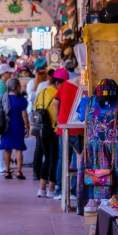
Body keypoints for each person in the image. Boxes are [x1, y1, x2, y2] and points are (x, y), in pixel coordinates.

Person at [35, 68, 68, 199]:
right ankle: (52, 188)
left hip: (42, 130)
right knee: (54, 159)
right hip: (54, 130)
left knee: (47, 158)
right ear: (58, 83)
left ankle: (42, 189)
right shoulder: (57, 93)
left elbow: (35, 109)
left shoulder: (42, 92)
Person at [53, 75, 83, 200]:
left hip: (64, 128)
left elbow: (55, 103)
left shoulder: (65, 85)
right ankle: (75, 191)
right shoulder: (85, 87)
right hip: (81, 129)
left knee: (62, 159)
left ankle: (60, 190)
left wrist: (58, 121)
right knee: (78, 161)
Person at [0, 77, 30, 180]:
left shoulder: (4, 98)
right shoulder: (21, 99)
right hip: (18, 125)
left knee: (7, 149)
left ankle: (7, 171)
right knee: (19, 149)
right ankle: (19, 171)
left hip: (6, 125)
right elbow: (24, 115)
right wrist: (27, 127)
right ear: (17, 87)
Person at [0, 63, 15, 175]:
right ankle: (1, 167)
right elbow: (1, 101)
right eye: (8, 73)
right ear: (4, 74)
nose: (10, 75)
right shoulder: (1, 85)